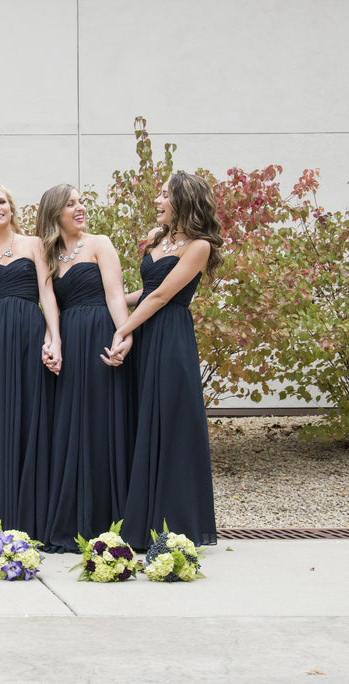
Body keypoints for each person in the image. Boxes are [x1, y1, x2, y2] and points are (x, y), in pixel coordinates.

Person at [103, 172, 223, 548]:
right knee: (142, 420)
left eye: (165, 194)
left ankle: (172, 524)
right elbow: (146, 291)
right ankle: (141, 517)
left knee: (169, 424)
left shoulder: (199, 246)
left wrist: (123, 331)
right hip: (148, 330)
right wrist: (106, 302)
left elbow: (161, 298)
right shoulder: (161, 239)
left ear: (183, 201)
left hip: (170, 337)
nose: (157, 199)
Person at [34, 184, 132, 552]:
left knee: (101, 423)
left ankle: (110, 519)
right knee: (69, 427)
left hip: (100, 337)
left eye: (80, 202)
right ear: (54, 212)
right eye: (70, 204)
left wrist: (124, 335)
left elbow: (114, 294)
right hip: (69, 344)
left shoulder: (99, 243)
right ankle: (73, 519)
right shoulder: (47, 254)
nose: (80, 208)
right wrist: (53, 342)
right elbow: (49, 306)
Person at [0, 183, 60, 540]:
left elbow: (47, 294)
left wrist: (55, 338)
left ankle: (31, 517)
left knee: (30, 418)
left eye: (1, 201)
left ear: (11, 207)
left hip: (29, 335)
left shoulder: (34, 244)